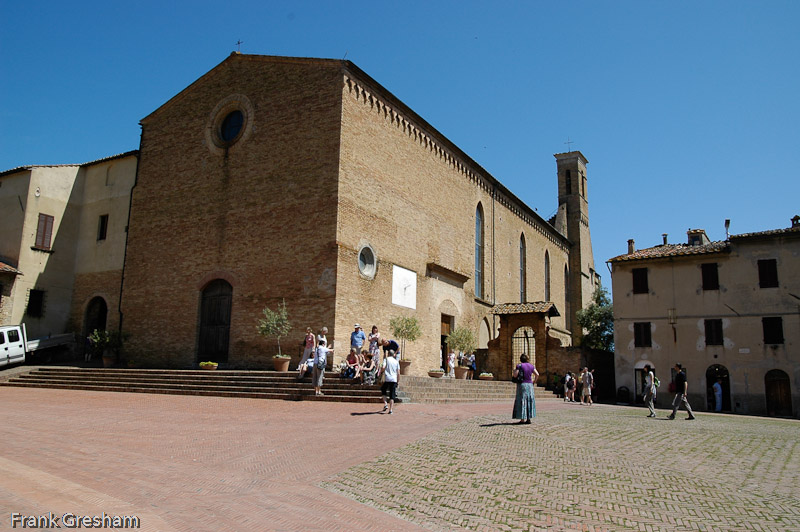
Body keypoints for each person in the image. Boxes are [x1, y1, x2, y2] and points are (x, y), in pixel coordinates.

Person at [512, 353, 539, 424]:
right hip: (530, 385)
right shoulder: (531, 366)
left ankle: (522, 419)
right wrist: (534, 381)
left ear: (521, 359)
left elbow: (515, 375)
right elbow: (537, 374)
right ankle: (529, 418)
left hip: (522, 384)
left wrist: (514, 371)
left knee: (522, 400)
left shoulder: (519, 366)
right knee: (529, 400)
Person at [381, 349, 400, 414]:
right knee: (392, 394)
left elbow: (383, 367)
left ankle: (385, 403)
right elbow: (398, 373)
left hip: (387, 378)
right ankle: (391, 409)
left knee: (383, 389)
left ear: (388, 354)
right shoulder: (396, 361)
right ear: (393, 355)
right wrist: (398, 381)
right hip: (394, 379)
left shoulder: (386, 359)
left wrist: (381, 371)